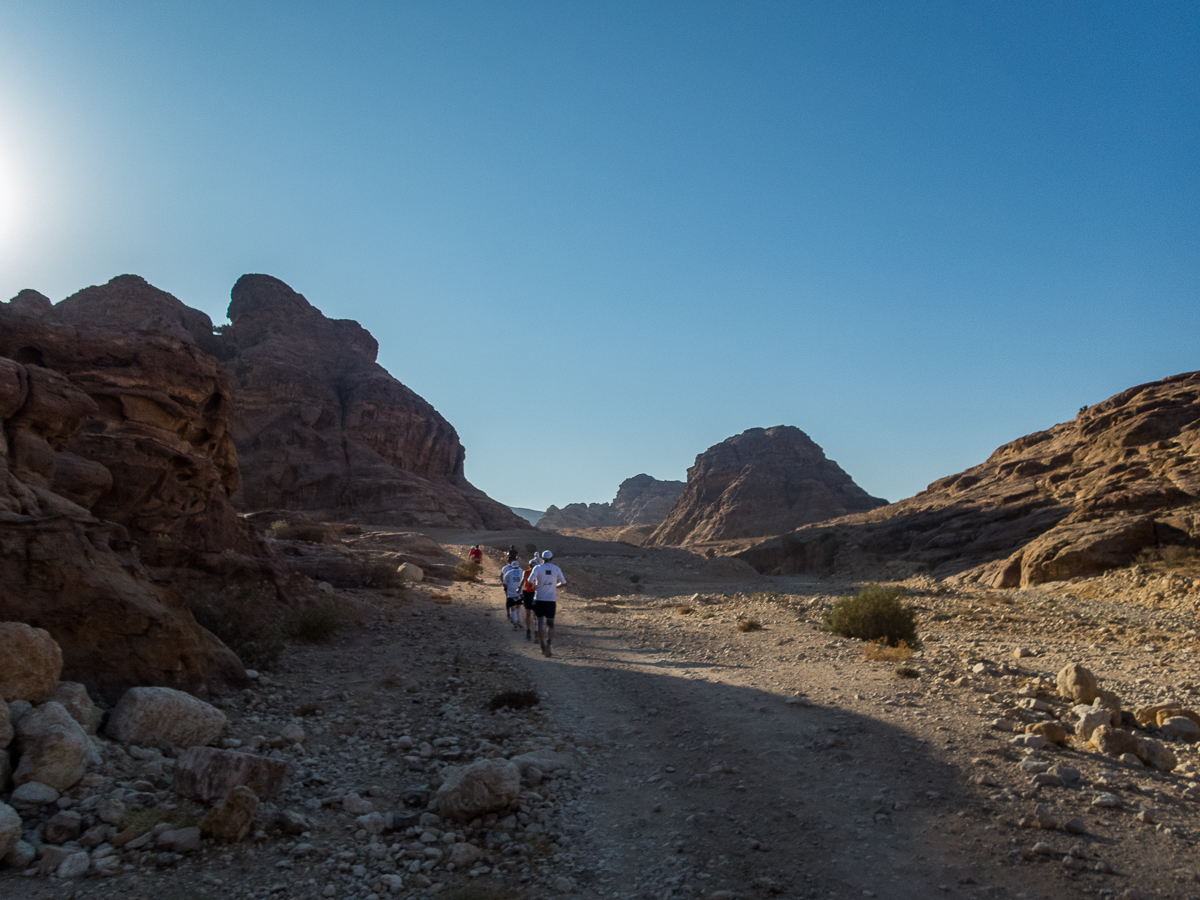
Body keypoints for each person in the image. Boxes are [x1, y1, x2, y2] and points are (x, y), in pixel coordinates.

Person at [529, 550, 567, 657]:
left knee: (539, 623)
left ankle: (542, 646)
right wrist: (554, 586)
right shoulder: (556, 568)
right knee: (550, 624)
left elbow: (530, 580)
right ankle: (549, 644)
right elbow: (563, 583)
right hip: (551, 600)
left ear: (542, 558)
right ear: (551, 558)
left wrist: (534, 587)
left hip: (539, 599)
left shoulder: (537, 568)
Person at [518, 557, 539, 641]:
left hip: (527, 594)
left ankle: (528, 631)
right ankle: (537, 632)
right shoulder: (538, 572)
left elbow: (523, 581)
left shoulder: (526, 572)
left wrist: (519, 588)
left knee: (528, 614)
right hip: (536, 594)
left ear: (529, 565)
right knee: (536, 615)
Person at [501, 559, 525, 629]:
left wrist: (509, 588)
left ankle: (515, 624)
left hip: (511, 594)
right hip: (519, 593)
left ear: (512, 566)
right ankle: (520, 622)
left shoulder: (508, 573)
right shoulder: (522, 572)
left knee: (513, 608)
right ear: (518, 566)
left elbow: (504, 584)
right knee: (518, 607)